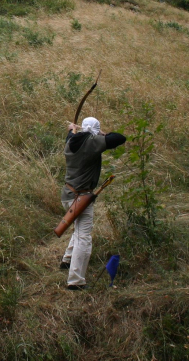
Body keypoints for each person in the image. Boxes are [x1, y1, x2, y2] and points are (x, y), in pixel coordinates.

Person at [60, 116, 126, 290]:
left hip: (68, 195)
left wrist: (71, 129)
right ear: (95, 131)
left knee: (78, 227)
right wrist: (103, 134)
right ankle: (75, 281)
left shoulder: (71, 141)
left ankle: (67, 260)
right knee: (84, 237)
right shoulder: (90, 144)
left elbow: (71, 136)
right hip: (80, 198)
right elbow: (120, 138)